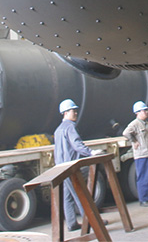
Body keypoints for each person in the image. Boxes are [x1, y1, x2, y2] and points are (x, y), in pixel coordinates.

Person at [54, 99, 94, 232]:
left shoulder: (58, 130)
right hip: (71, 167)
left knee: (67, 196)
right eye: (73, 111)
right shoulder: (70, 127)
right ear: (65, 113)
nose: (76, 113)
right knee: (80, 193)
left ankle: (71, 223)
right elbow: (77, 144)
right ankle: (90, 222)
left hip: (61, 167)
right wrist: (90, 153)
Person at [123, 101, 148, 207]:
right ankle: (143, 200)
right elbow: (126, 133)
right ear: (137, 112)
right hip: (142, 154)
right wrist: (134, 141)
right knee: (143, 178)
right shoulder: (135, 124)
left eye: (146, 110)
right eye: (144, 110)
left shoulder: (146, 124)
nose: (146, 112)